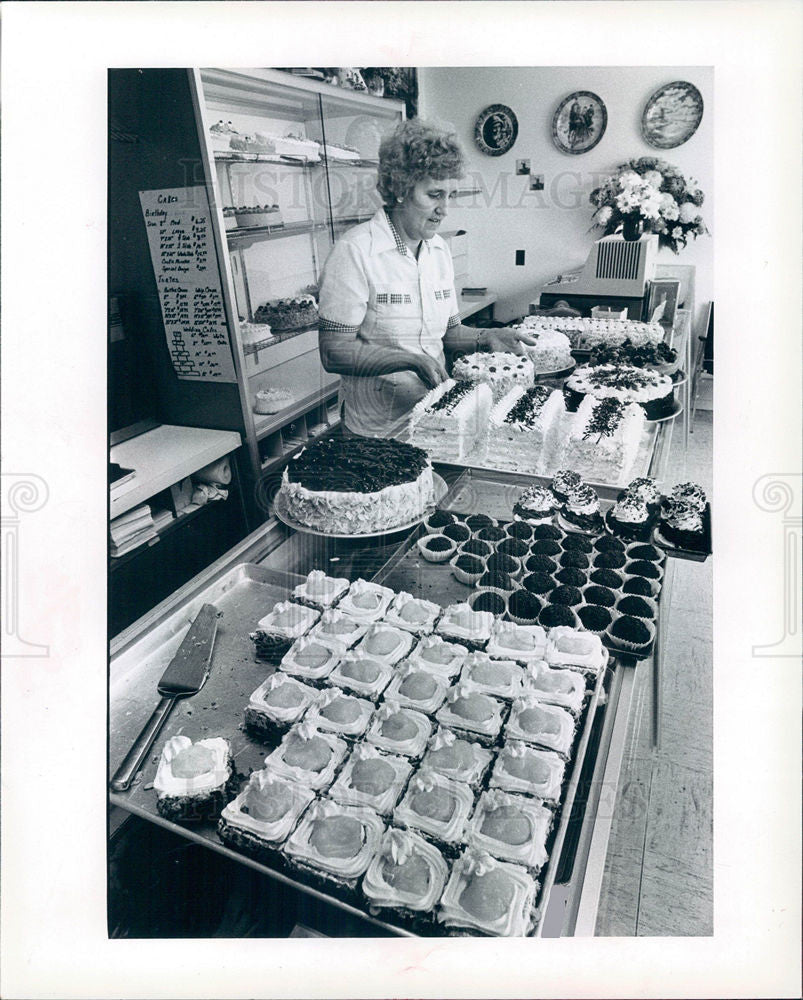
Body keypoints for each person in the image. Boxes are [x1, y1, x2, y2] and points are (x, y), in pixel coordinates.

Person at [317, 118, 535, 439]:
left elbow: (449, 333)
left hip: (436, 417)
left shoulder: (438, 251)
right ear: (401, 188)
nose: (444, 209)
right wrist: (407, 361)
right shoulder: (355, 250)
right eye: (434, 194)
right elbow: (333, 352)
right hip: (375, 430)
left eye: (450, 195)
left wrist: (484, 336)